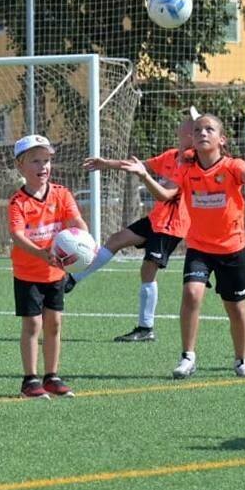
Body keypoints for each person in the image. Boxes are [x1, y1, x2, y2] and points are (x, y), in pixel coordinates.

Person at [127, 114, 245, 380]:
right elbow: (166, 195)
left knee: (235, 307)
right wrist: (145, 176)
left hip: (231, 249)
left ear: (221, 139)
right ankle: (188, 357)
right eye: (198, 130)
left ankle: (241, 360)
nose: (202, 133)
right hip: (200, 248)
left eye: (209, 129)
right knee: (191, 295)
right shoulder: (187, 169)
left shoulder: (232, 165)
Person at [73, 110, 200, 341]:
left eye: (190, 121)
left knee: (147, 271)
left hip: (170, 226)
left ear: (191, 134)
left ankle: (145, 328)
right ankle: (72, 280)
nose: (184, 121)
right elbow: (139, 165)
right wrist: (105, 163)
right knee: (116, 239)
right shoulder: (172, 155)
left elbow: (165, 195)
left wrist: (145, 178)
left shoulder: (190, 163)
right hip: (155, 220)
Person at [6, 134, 86, 399]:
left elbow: (76, 222)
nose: (43, 167)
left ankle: (52, 376)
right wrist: (41, 254)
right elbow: (18, 236)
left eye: (47, 160)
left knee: (54, 324)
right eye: (36, 161)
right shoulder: (18, 202)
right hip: (28, 273)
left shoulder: (62, 194)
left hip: (55, 272)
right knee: (33, 325)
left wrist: (82, 241)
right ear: (20, 165)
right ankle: (30, 380)